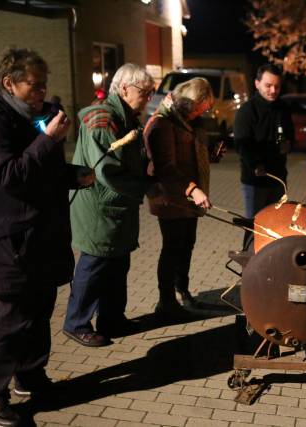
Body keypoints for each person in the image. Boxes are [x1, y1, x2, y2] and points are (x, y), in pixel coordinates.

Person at [0, 48, 93, 427]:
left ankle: (30, 376)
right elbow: (9, 176)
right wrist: (46, 140)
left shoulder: (33, 116)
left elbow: (42, 171)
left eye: (45, 83)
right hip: (10, 241)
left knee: (41, 310)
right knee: (12, 320)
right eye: (34, 84)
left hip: (41, 235)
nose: (43, 91)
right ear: (10, 83)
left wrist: (71, 174)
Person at [63, 64, 154, 347]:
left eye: (151, 92)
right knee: (95, 263)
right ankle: (76, 323)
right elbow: (108, 172)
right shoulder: (103, 121)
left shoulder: (125, 116)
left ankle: (112, 318)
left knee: (118, 263)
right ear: (125, 88)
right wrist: (147, 186)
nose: (148, 97)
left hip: (116, 206)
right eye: (145, 91)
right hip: (99, 206)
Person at [144, 78, 214, 318]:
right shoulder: (163, 124)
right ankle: (166, 302)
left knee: (186, 246)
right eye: (199, 108)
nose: (200, 113)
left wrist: (210, 154)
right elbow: (166, 168)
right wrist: (194, 189)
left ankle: (183, 291)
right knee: (172, 248)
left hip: (188, 197)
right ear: (189, 102)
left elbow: (189, 153)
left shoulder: (186, 121)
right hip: (171, 198)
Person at [233, 64, 294, 249]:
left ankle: (271, 265)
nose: (273, 90)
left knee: (275, 225)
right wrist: (256, 164)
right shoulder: (247, 111)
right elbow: (242, 145)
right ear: (257, 83)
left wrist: (288, 144)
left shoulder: (283, 109)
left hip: (277, 178)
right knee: (254, 224)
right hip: (255, 181)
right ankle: (249, 266)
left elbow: (289, 136)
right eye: (268, 86)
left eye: (277, 86)